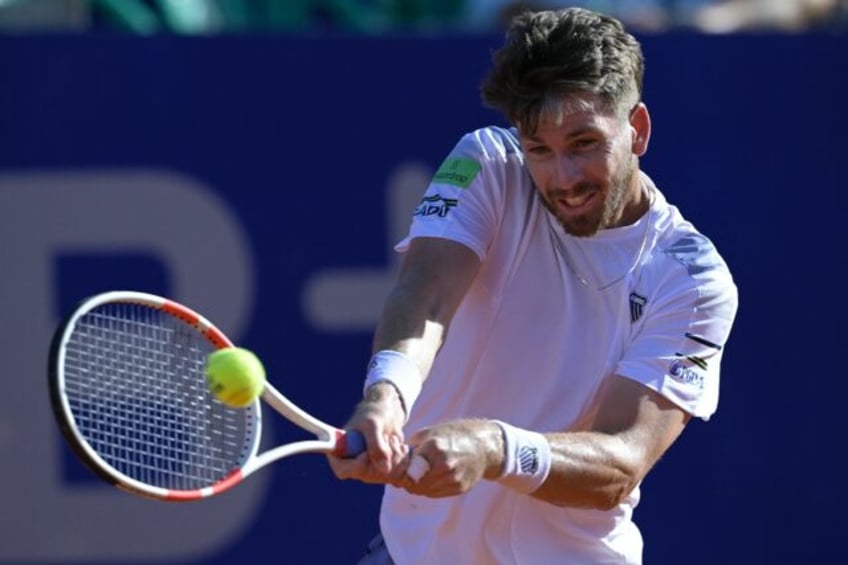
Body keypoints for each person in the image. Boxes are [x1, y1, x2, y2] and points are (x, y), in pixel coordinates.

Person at [328, 6, 739, 564]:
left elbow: (621, 461)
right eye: (540, 149)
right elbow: (426, 292)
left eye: (584, 143)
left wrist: (496, 448)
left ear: (637, 129)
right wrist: (387, 395)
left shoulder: (692, 279)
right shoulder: (489, 163)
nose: (563, 178)